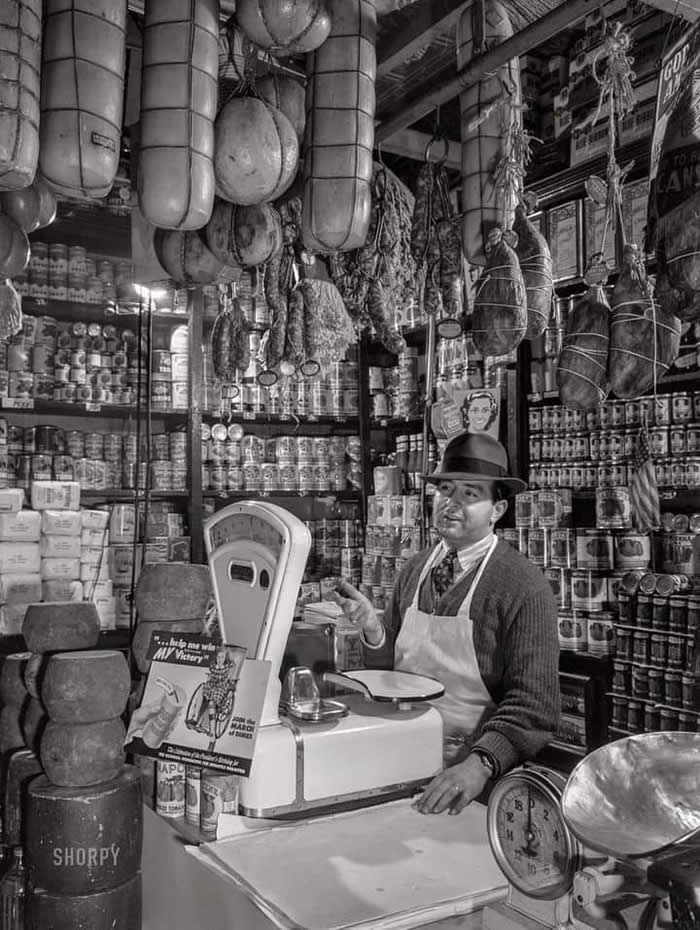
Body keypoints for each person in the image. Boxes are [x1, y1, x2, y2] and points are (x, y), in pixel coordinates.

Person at [333, 432, 560, 816]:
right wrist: (374, 630)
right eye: (445, 489)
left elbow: (534, 705)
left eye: (470, 494)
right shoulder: (415, 569)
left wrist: (479, 765)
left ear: (498, 510)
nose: (452, 503)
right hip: (398, 759)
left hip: (475, 784)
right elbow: (395, 669)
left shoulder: (522, 585)